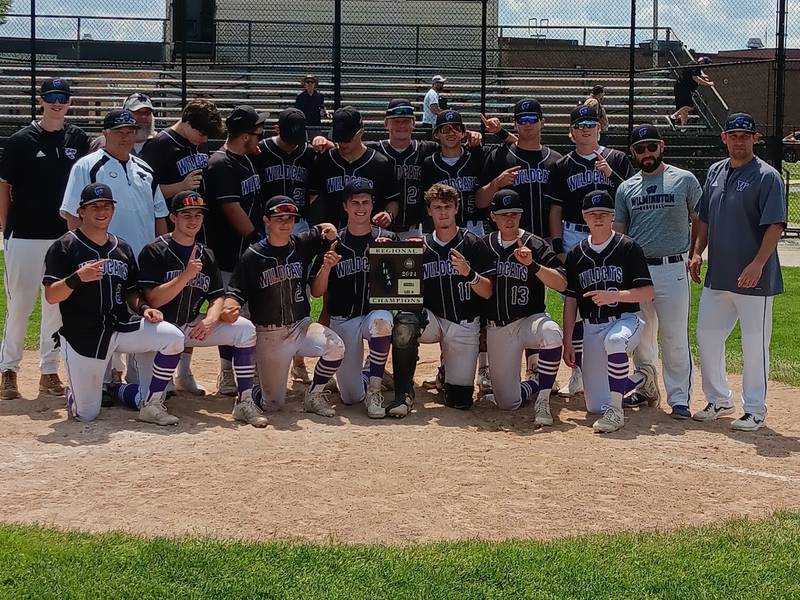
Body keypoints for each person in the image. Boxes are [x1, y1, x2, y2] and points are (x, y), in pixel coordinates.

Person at [42, 183, 185, 424]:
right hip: (83, 335)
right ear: (81, 212)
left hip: (120, 326)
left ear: (113, 210)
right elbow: (51, 296)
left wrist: (144, 308)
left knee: (173, 336)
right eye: (94, 206)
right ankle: (77, 393)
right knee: (86, 414)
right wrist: (78, 278)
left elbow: (131, 291)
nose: (101, 211)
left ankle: (150, 402)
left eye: (106, 206)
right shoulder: (65, 246)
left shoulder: (122, 248)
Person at [131, 191, 265, 427]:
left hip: (188, 326)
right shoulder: (155, 250)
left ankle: (244, 401)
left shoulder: (206, 254)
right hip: (155, 331)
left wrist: (211, 320)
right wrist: (186, 276)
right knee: (143, 396)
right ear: (173, 217)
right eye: (186, 215)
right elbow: (153, 300)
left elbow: (217, 297)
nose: (193, 220)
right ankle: (125, 393)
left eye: (198, 215)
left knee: (244, 329)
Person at [689, 113, 786, 432]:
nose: (739, 141)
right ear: (724, 138)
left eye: (745, 136)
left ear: (755, 138)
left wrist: (758, 264)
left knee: (754, 344)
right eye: (734, 135)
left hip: (755, 280)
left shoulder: (768, 176)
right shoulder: (715, 171)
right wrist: (696, 252)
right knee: (707, 336)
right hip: (719, 276)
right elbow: (703, 217)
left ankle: (755, 409)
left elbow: (775, 225)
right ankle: (719, 399)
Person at [0, 77, 89, 400]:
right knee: (20, 304)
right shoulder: (21, 140)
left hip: (63, 237)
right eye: (51, 96)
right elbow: (4, 186)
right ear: (41, 100)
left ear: (69, 102)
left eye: (62, 97)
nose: (56, 102)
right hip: (24, 234)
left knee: (56, 306)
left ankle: (48, 372)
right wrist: (6, 228)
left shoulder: (78, 138)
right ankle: (8, 370)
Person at [223, 196, 344, 417]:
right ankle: (255, 382)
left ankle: (314, 395)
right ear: (266, 221)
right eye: (279, 218)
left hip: (301, 325)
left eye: (290, 218)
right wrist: (229, 307)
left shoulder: (301, 244)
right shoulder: (252, 256)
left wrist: (329, 230)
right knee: (273, 405)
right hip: (270, 333)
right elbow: (235, 292)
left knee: (336, 346)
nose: (285, 223)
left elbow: (326, 230)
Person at [614, 124, 702, 419]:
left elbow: (700, 219)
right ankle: (646, 386)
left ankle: (679, 399)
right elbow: (620, 232)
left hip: (672, 266)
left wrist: (696, 254)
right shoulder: (626, 187)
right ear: (633, 153)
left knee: (674, 335)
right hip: (639, 270)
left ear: (661, 146)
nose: (647, 153)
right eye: (641, 149)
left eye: (652, 147)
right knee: (642, 333)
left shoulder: (684, 179)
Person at [548, 104, 634, 399]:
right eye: (579, 125)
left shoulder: (617, 158)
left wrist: (611, 175)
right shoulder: (562, 164)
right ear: (571, 132)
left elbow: (630, 195)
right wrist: (558, 244)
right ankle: (578, 373)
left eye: (591, 124)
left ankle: (618, 371)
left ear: (600, 128)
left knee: (610, 303)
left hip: (610, 234)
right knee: (576, 302)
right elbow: (556, 207)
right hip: (574, 233)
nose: (585, 129)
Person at [390, 184, 494, 416]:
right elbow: (401, 292)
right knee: (405, 323)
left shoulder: (472, 243)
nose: (443, 212)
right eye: (437, 207)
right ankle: (403, 393)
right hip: (432, 320)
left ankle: (447, 372)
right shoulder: (421, 246)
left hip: (464, 323)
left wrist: (470, 273)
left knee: (460, 400)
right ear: (429, 211)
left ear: (456, 208)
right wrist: (395, 256)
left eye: (448, 206)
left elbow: (487, 292)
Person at [563, 191, 655, 433]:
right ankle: (642, 377)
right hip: (593, 327)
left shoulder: (628, 246)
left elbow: (647, 292)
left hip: (626, 320)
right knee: (595, 406)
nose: (599, 218)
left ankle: (616, 411)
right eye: (593, 214)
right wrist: (568, 341)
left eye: (604, 213)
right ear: (584, 217)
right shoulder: (575, 254)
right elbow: (571, 302)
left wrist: (615, 296)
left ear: (613, 215)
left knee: (615, 342)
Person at [309, 179, 397, 418]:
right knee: (350, 396)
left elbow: (401, 288)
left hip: (373, 313)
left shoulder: (387, 237)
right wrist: (326, 267)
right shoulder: (333, 243)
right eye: (355, 202)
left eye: (366, 202)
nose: (361, 207)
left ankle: (375, 389)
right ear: (345, 206)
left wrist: (389, 257)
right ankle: (370, 372)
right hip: (343, 318)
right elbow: (316, 292)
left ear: (372, 204)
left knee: (381, 321)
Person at [482, 189, 567, 426]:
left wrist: (533, 265)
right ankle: (536, 383)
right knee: (507, 403)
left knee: (551, 332)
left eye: (514, 214)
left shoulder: (535, 244)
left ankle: (543, 399)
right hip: (498, 326)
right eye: (503, 214)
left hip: (529, 321)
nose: (510, 219)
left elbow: (562, 284)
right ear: (493, 216)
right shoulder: (484, 245)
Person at [202, 105, 267, 395]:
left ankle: (245, 369)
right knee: (230, 314)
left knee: (247, 314)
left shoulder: (246, 159)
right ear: (244, 136)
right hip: (228, 253)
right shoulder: (221, 163)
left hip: (245, 252)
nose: (261, 136)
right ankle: (227, 372)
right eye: (257, 132)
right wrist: (258, 242)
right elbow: (232, 208)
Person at [312, 106, 400, 228]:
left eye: (347, 139)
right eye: (339, 139)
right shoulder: (325, 160)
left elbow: (393, 200)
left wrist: (389, 214)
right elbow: (312, 197)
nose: (342, 143)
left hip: (370, 236)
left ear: (361, 133)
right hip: (331, 235)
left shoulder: (379, 163)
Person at [139, 98, 222, 204]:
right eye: (202, 134)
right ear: (187, 122)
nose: (205, 139)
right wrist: (180, 187)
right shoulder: (158, 145)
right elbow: (144, 191)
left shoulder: (199, 141)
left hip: (199, 214)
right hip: (172, 217)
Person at [421, 110, 488, 236]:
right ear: (436, 134)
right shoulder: (429, 163)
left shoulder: (477, 156)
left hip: (473, 226)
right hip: (440, 227)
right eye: (445, 129)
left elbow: (516, 146)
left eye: (456, 128)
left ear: (463, 133)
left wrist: (499, 132)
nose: (451, 133)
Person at [256, 108, 319, 235]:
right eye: (288, 139)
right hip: (269, 221)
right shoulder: (262, 150)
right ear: (277, 129)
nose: (292, 144)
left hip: (298, 221)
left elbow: (313, 191)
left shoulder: (309, 152)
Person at [90, 92, 157, 155]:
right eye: (137, 112)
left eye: (147, 113)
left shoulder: (161, 143)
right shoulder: (102, 143)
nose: (143, 117)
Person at [669, 57, 714, 128]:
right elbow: (695, 78)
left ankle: (683, 128)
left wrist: (702, 76)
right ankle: (673, 116)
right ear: (702, 62)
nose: (705, 67)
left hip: (681, 87)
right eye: (705, 64)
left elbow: (692, 73)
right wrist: (708, 84)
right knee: (690, 106)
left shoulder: (694, 65)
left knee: (684, 108)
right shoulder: (695, 65)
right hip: (683, 88)